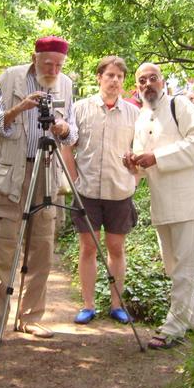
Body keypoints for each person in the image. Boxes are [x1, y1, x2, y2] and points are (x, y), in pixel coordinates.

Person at [0, 36, 78, 352]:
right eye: (48, 63)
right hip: (12, 172)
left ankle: (30, 316)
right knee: (2, 244)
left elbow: (72, 131)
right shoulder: (10, 78)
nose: (53, 69)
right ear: (35, 58)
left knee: (42, 246)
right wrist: (19, 108)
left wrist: (62, 129)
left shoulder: (66, 85)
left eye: (59, 65)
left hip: (46, 171)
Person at [124, 62, 194, 350]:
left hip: (186, 202)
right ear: (137, 87)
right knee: (174, 266)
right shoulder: (141, 117)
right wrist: (133, 163)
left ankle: (173, 326)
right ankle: (193, 318)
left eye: (152, 78)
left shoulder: (180, 106)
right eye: (141, 80)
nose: (147, 84)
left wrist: (157, 157)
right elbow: (142, 163)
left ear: (162, 82)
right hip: (161, 203)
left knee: (185, 267)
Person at [61, 56, 139, 325]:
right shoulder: (81, 108)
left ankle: (117, 304)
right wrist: (72, 178)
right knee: (88, 248)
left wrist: (135, 178)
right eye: (110, 75)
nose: (115, 80)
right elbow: (67, 145)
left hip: (119, 192)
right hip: (87, 191)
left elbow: (140, 151)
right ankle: (88, 305)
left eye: (119, 76)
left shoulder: (134, 113)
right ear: (99, 77)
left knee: (116, 247)